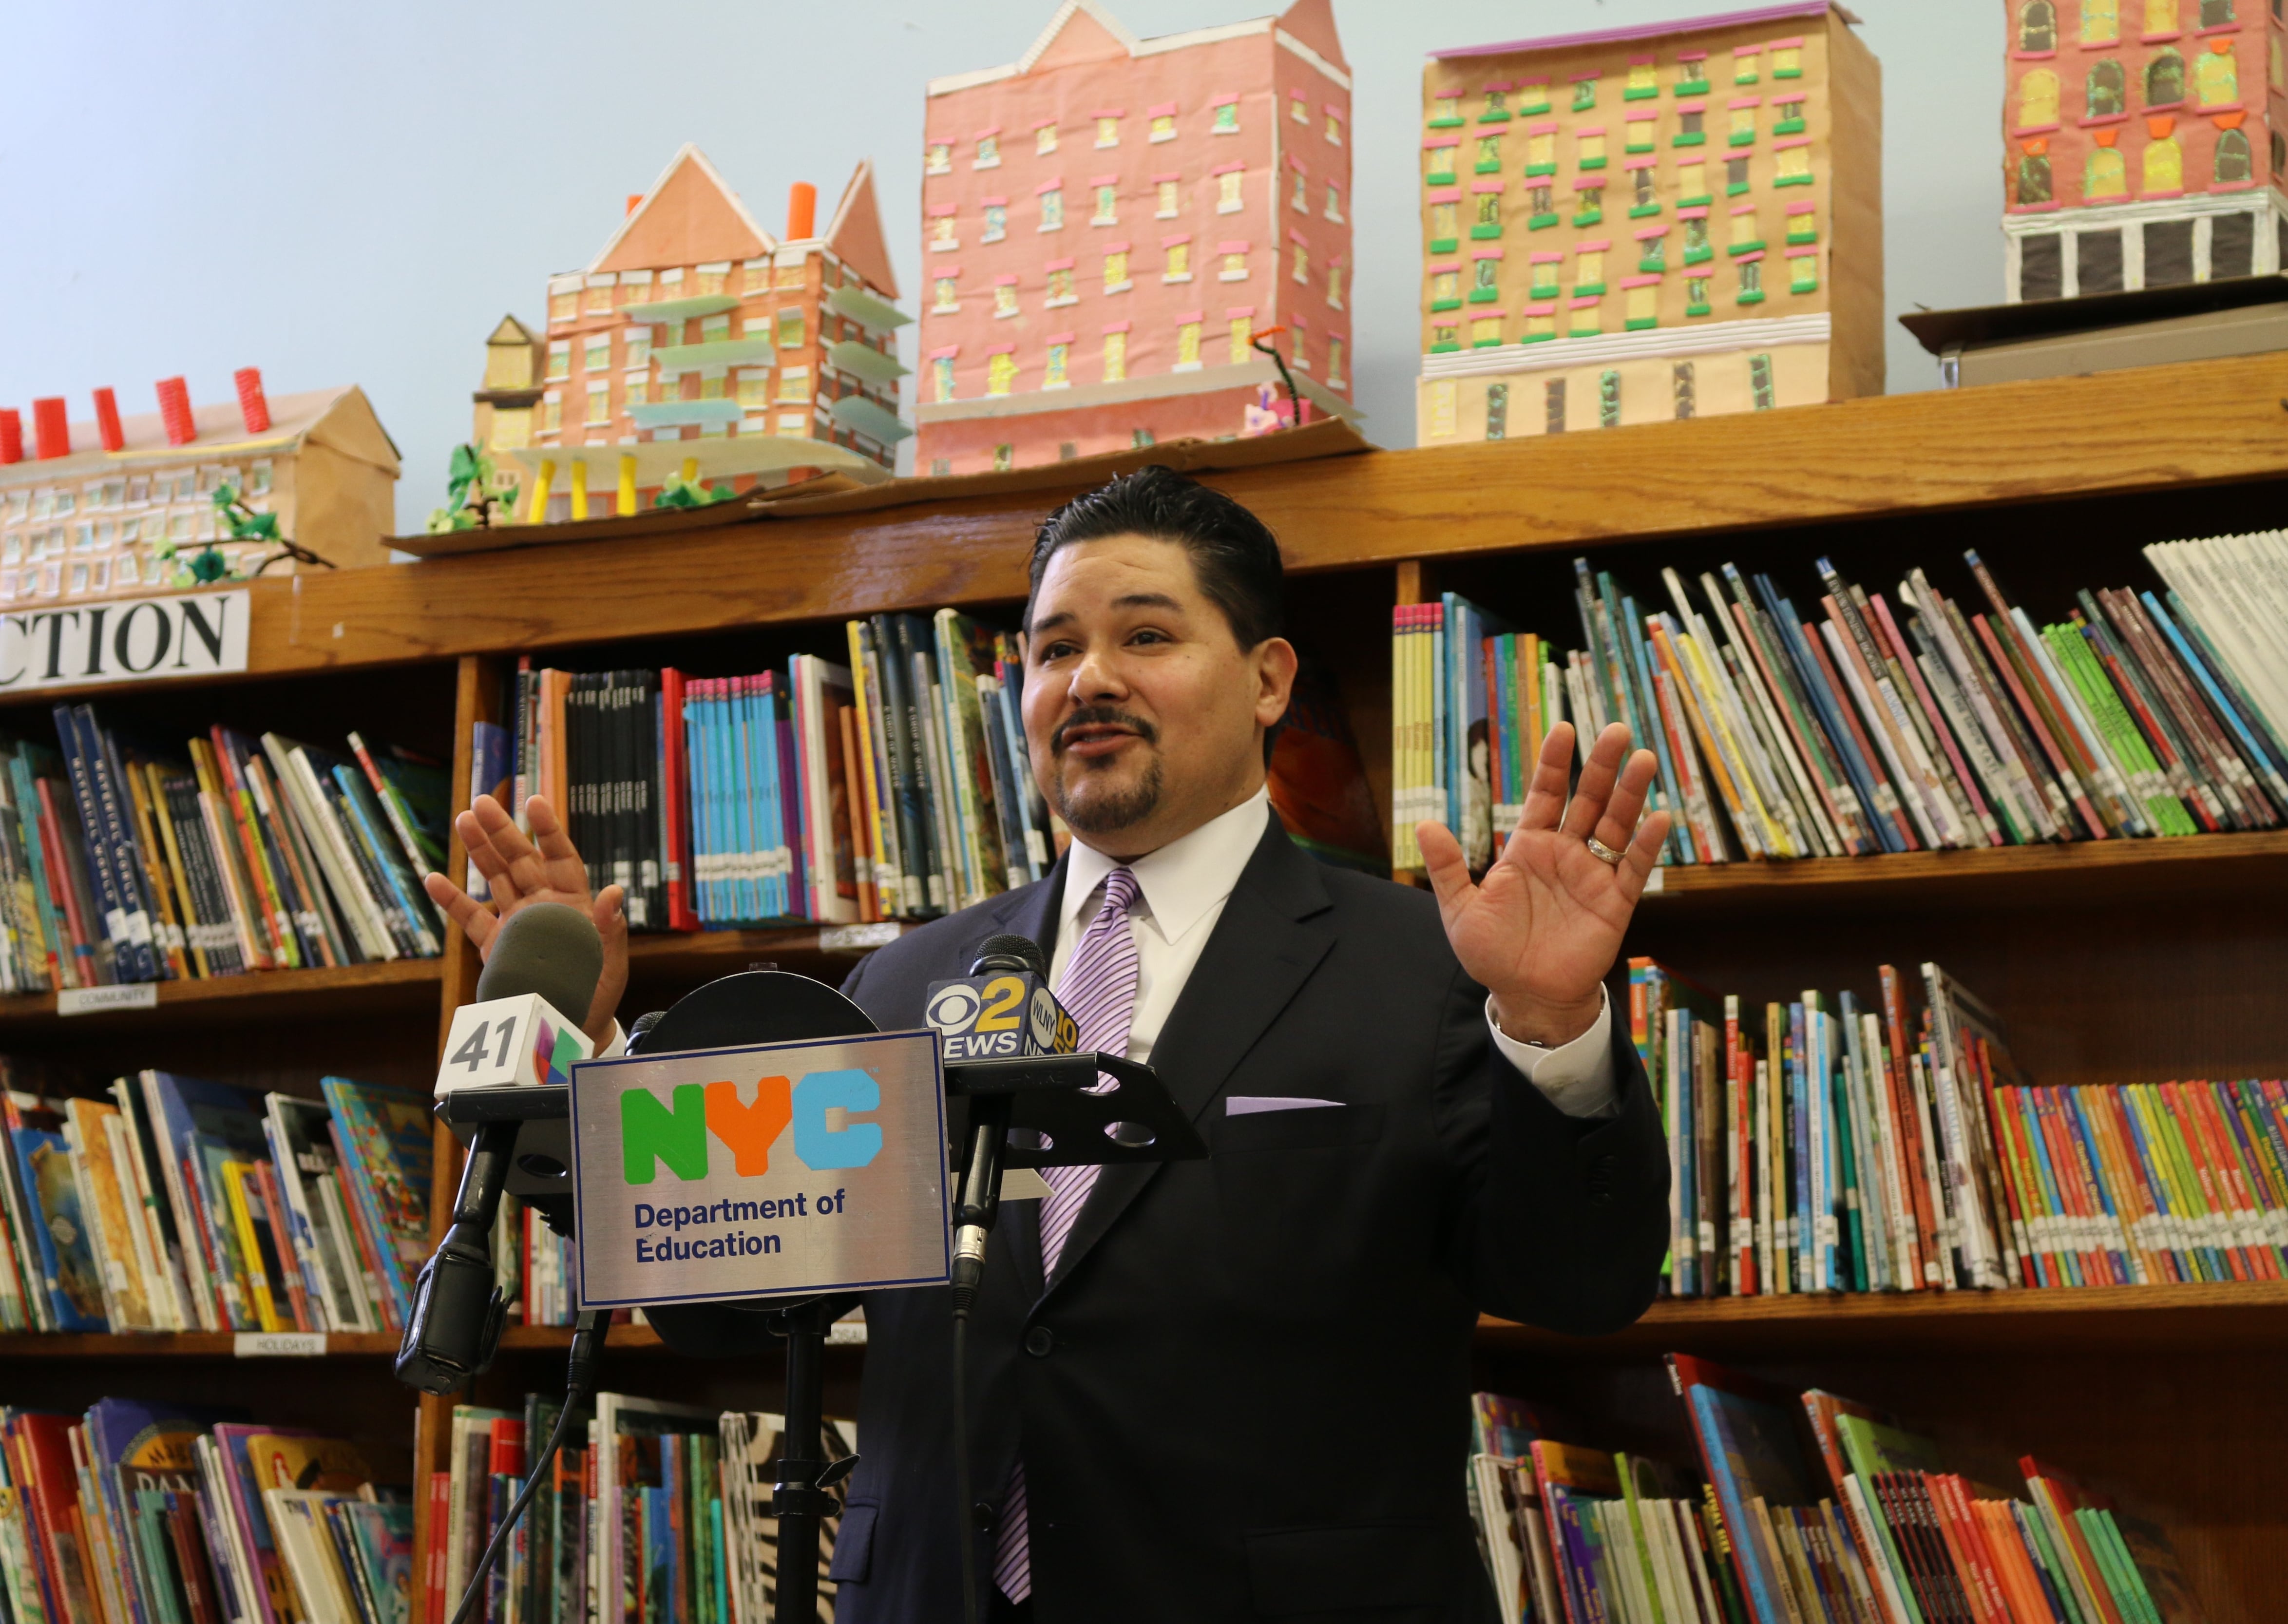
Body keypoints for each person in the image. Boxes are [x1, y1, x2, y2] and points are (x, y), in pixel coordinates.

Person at [425, 466, 1672, 1623]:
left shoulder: (1429, 965)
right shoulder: (905, 982)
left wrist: (1553, 1027)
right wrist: (583, 1061)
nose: (1088, 680)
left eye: (1145, 635)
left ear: (1269, 678)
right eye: (1053, 648)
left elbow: (1577, 1284)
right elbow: (733, 1309)